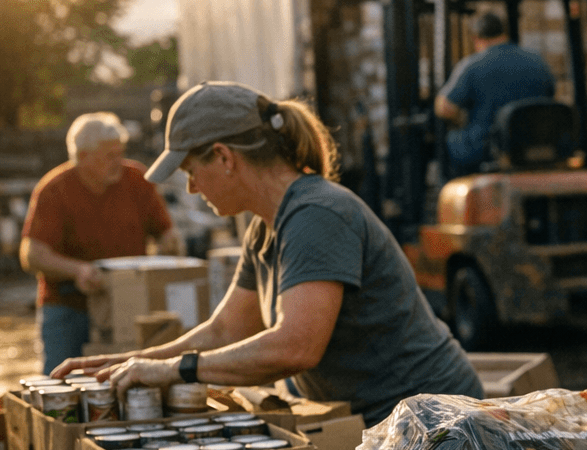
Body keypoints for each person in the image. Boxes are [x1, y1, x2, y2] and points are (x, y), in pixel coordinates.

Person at [55, 82, 483, 424]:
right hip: (379, 421)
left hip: (435, 425)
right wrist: (132, 362)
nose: (191, 188)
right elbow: (225, 331)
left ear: (223, 157)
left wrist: (177, 370)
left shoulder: (316, 215)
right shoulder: (266, 225)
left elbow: (295, 347)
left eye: (190, 172)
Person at [21, 112, 177, 372]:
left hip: (128, 301)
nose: (119, 161)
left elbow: (165, 232)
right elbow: (32, 254)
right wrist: (78, 270)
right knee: (62, 381)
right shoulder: (54, 189)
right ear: (82, 157)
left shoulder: (137, 179)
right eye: (109, 156)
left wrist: (169, 243)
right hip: (69, 305)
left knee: (130, 380)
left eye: (121, 153)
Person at [434, 12, 556, 174]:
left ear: (476, 38)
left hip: (488, 152)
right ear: (504, 33)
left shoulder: (472, 66)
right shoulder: (538, 61)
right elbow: (551, 96)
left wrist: (460, 118)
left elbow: (444, 108)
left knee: (451, 140)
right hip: (535, 146)